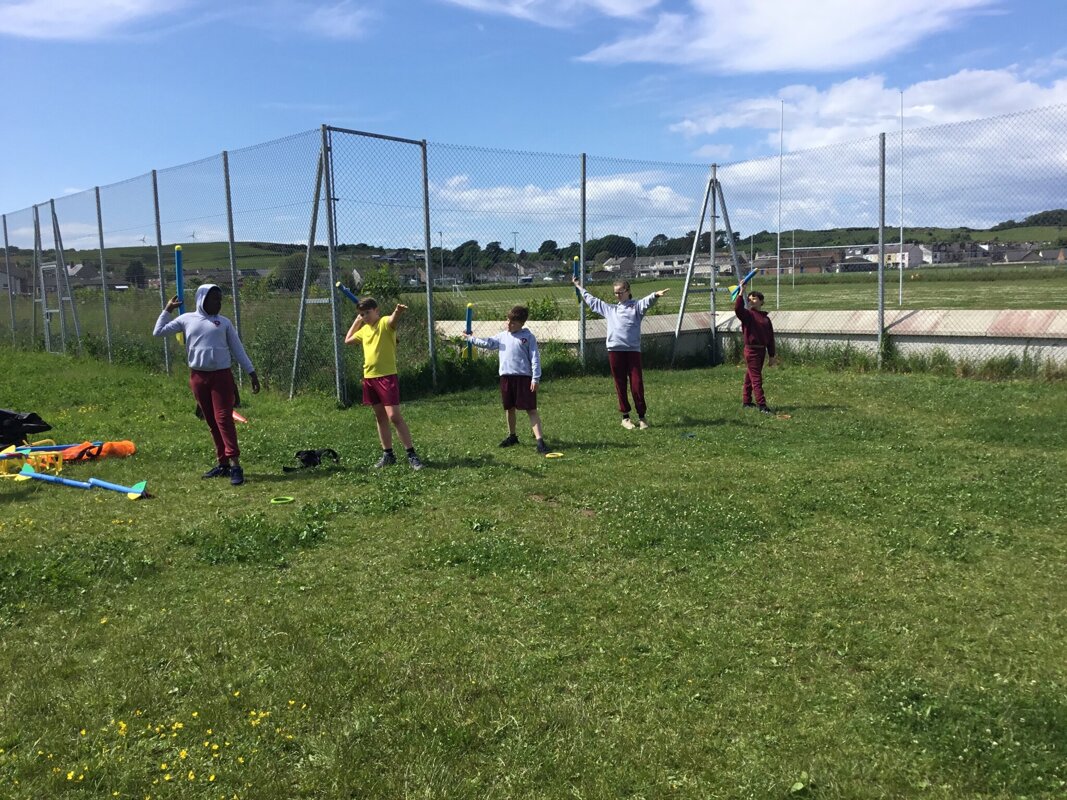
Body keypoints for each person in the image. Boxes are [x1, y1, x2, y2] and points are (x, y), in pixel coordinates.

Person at [153, 284, 260, 485]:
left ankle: (236, 465)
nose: (218, 303)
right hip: (199, 378)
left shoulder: (224, 323)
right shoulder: (187, 320)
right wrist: (168, 310)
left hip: (221, 377)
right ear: (202, 299)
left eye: (220, 300)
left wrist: (251, 372)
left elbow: (238, 349)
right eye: (214, 299)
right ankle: (223, 464)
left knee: (223, 419)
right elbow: (158, 332)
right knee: (211, 421)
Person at [572, 276, 669, 429]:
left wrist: (655, 295)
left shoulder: (635, 307)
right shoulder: (611, 309)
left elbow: (646, 302)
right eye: (615, 293)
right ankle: (625, 417)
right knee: (620, 383)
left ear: (628, 291)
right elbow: (592, 301)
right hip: (615, 351)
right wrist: (579, 287)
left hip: (632, 351)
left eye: (620, 292)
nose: (618, 296)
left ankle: (642, 417)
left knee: (637, 383)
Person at [344, 297, 423, 470]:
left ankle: (411, 454)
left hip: (387, 377)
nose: (364, 316)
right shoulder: (364, 330)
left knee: (394, 416)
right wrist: (357, 321)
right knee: (380, 417)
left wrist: (398, 311)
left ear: (377, 311)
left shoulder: (384, 323)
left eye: (367, 313)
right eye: (361, 314)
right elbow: (347, 340)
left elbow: (392, 320)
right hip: (369, 377)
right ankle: (388, 454)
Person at [464, 305, 549, 454]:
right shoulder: (502, 336)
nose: (508, 325)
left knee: (531, 409)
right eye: (507, 321)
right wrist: (471, 338)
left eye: (513, 323)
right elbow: (487, 343)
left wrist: (535, 378)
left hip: (524, 379)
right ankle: (512, 436)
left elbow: (535, 358)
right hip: (506, 378)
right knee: (509, 408)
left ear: (522, 323)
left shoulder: (528, 337)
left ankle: (540, 441)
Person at [734, 289, 778, 414]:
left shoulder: (765, 319)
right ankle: (762, 405)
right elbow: (738, 309)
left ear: (761, 301)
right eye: (749, 298)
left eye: (754, 298)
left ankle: (747, 401)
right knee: (756, 378)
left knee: (750, 376)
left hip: (761, 350)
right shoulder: (747, 315)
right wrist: (741, 292)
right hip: (751, 351)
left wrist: (771, 355)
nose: (751, 300)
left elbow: (770, 338)